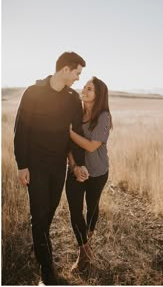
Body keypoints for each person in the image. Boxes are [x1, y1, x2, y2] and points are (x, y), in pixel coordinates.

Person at [14, 51, 86, 285]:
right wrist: (22, 165)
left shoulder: (73, 98)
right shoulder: (32, 93)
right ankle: (47, 272)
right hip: (35, 166)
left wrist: (77, 163)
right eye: (76, 73)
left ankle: (39, 248)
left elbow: (76, 132)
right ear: (65, 69)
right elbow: (21, 130)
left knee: (48, 213)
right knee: (39, 214)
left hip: (58, 167)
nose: (78, 78)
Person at [66, 76, 112, 271]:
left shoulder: (103, 117)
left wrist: (68, 132)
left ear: (98, 95)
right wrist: (74, 165)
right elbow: (67, 146)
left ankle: (87, 245)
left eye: (89, 89)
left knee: (92, 208)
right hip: (76, 170)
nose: (84, 90)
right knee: (75, 211)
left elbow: (92, 147)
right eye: (84, 86)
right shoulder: (76, 112)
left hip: (98, 171)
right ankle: (83, 252)